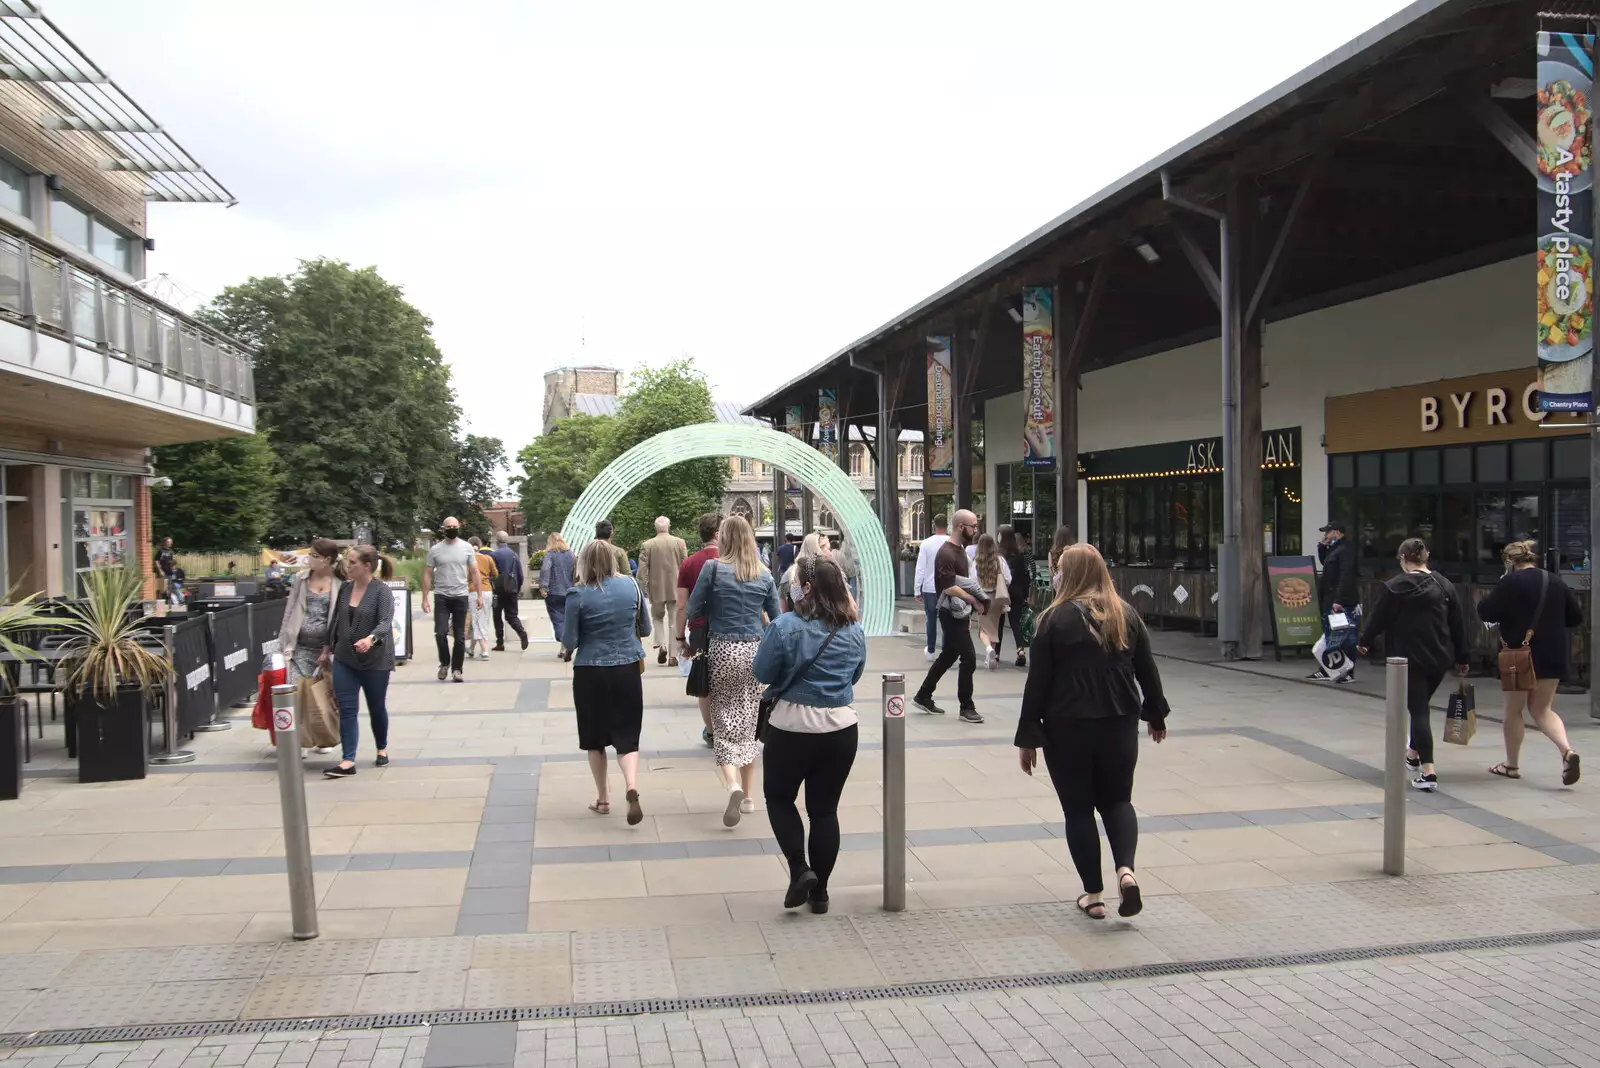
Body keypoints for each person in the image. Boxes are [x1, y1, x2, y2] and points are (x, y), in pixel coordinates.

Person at [1016, 543, 1169, 920]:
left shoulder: (1052, 619)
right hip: (1118, 722)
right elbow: (1147, 669)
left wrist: (1028, 736)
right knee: (1119, 801)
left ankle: (1094, 895)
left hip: (1067, 725)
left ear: (1067, 575)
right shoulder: (1126, 614)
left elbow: (1038, 683)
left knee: (1078, 809)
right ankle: (1127, 871)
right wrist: (1155, 715)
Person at [755, 557, 867, 914]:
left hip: (791, 727)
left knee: (779, 797)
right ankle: (821, 893)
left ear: (806, 588)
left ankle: (799, 869)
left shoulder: (785, 626)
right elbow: (855, 674)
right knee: (824, 810)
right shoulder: (853, 629)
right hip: (841, 728)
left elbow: (762, 670)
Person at [686, 514, 780, 825]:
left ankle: (733, 785)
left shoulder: (713, 569)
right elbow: (777, 619)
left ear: (723, 538)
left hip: (723, 650)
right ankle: (750, 797)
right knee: (751, 722)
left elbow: (692, 609)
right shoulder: (764, 574)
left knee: (724, 722)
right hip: (756, 651)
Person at [1355, 538, 1469, 792]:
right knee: (1421, 706)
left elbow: (1379, 617)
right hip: (1439, 656)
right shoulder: (1444, 584)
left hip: (1407, 658)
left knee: (1418, 711)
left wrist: (1365, 641)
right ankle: (1412, 754)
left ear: (1403, 559)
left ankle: (1428, 771)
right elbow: (1458, 624)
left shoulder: (1395, 586)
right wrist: (1462, 658)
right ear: (1425, 557)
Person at [1479, 540, 1584, 785]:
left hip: (1519, 655)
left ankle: (1511, 765)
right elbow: (1576, 617)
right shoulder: (1554, 581)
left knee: (1514, 710)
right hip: (1554, 652)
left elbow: (1486, 611)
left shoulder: (1510, 582)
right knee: (1542, 709)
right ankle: (1567, 751)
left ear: (1509, 562)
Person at [564, 539, 651, 824]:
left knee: (595, 739)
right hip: (627, 668)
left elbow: (570, 640)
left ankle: (603, 799)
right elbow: (647, 628)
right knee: (627, 737)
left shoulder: (577, 594)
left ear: (584, 563)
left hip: (590, 671)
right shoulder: (632, 587)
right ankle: (632, 784)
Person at [323, 545, 396, 778]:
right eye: (347, 561)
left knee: (376, 708)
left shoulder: (381, 591)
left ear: (366, 566)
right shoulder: (345, 588)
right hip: (345, 658)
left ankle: (381, 747)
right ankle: (347, 760)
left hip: (375, 660)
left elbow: (386, 622)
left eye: (353, 562)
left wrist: (371, 638)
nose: (348, 565)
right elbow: (334, 620)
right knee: (347, 709)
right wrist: (327, 648)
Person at [913, 509, 986, 723]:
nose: (975, 530)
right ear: (960, 527)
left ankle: (923, 695)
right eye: (973, 526)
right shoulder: (946, 553)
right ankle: (966, 706)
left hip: (958, 612)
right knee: (969, 657)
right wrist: (973, 600)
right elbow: (948, 587)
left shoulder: (960, 551)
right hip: (950, 613)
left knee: (949, 655)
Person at [676, 512, 722, 748]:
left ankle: (712, 732)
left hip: (699, 629)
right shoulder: (731, 559)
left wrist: (679, 637)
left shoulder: (689, 563)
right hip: (729, 627)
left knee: (704, 679)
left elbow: (682, 604)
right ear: (717, 534)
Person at [422, 516, 484, 683]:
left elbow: (475, 572)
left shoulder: (466, 548)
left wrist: (479, 595)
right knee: (440, 633)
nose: (451, 528)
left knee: (459, 636)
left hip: (460, 595)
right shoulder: (435, 550)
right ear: (443, 528)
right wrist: (425, 598)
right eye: (448, 526)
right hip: (441, 595)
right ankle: (444, 663)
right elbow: (427, 573)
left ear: (459, 527)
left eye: (454, 526)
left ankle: (457, 669)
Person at [1310, 521, 1360, 682]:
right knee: (1330, 636)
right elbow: (1326, 563)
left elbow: (1346, 577)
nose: (1325, 535)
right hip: (1329, 599)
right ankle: (1328, 668)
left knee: (1346, 637)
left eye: (1328, 532)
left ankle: (1348, 671)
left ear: (1337, 532)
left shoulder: (1346, 550)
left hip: (1340, 601)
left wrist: (1339, 600)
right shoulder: (1335, 549)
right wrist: (1321, 547)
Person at [638, 517, 688, 666]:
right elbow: (685, 565)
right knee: (674, 621)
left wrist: (644, 588)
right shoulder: (680, 543)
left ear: (655, 528)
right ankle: (673, 656)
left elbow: (642, 570)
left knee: (657, 618)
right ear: (669, 526)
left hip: (656, 587)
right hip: (676, 587)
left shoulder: (647, 545)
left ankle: (662, 645)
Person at [969, 533, 1012, 670]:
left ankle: (988, 649)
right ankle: (991, 656)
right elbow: (1008, 578)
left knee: (983, 629)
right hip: (997, 597)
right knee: (993, 628)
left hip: (982, 598)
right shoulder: (999, 560)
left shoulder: (976, 561)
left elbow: (972, 582)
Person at [914, 514, 951, 662]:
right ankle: (946, 649)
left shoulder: (926, 544)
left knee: (931, 619)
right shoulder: (952, 542)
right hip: (948, 588)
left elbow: (920, 568)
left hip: (929, 588)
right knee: (947, 620)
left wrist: (917, 589)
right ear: (946, 525)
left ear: (934, 525)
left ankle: (930, 650)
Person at [999, 525, 1033, 667]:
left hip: (1002, 592)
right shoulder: (1019, 554)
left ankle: (995, 653)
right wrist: (1025, 595)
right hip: (1016, 592)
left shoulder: (1000, 554)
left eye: (999, 534)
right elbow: (1025, 577)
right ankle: (1020, 650)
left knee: (999, 623)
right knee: (1015, 622)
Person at [539, 533, 576, 659]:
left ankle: (565, 642)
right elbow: (576, 572)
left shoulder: (550, 554)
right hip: (570, 592)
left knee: (557, 620)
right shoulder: (571, 555)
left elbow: (545, 569)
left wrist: (544, 586)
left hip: (554, 593)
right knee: (567, 620)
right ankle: (564, 649)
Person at [490, 531, 528, 652]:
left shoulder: (494, 555)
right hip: (512, 589)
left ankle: (500, 643)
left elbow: (491, 574)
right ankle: (521, 631)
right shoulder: (514, 555)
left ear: (497, 540)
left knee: (497, 616)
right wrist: (517, 588)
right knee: (511, 615)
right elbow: (520, 575)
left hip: (498, 590)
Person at [780, 532, 831, 613]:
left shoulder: (789, 574)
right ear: (817, 550)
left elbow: (783, 609)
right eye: (828, 549)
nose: (830, 553)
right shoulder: (827, 573)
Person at [469, 536, 499, 662]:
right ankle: (470, 649)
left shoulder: (468, 560)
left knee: (476, 620)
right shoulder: (488, 558)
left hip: (473, 591)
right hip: (487, 591)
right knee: (484, 619)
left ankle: (484, 650)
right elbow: (495, 574)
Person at [1047, 525, 1073, 589]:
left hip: (1058, 586)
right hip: (1071, 584)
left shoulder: (1052, 553)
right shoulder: (1073, 551)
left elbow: (1051, 572)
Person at [155, 537, 176, 601]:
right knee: (161, 588)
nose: (170, 543)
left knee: (169, 588)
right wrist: (160, 570)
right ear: (164, 542)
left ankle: (169, 603)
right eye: (168, 542)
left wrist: (173, 565)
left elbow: (171, 562)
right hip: (162, 572)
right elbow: (156, 561)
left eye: (171, 542)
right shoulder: (160, 551)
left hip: (169, 572)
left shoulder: (171, 551)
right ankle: (159, 602)